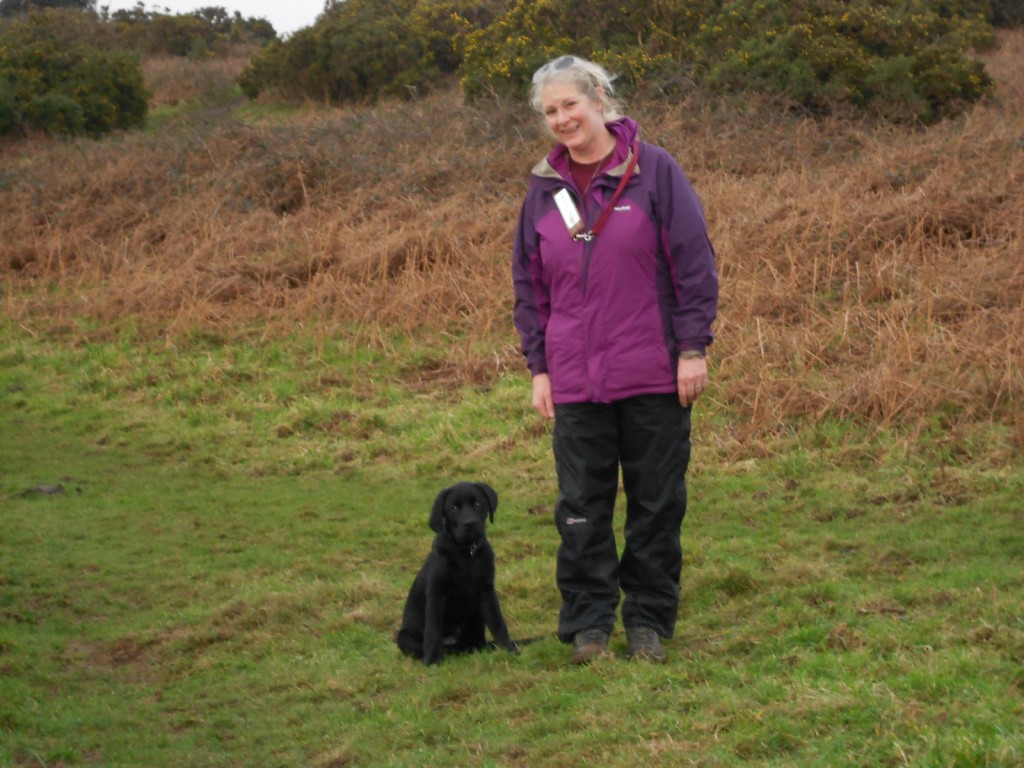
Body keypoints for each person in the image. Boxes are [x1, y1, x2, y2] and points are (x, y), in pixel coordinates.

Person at [512, 55, 719, 664]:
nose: (561, 119)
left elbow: (694, 267)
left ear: (599, 99)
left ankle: (649, 624)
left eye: (570, 105)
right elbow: (530, 286)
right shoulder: (543, 190)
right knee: (581, 509)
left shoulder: (655, 172)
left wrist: (692, 348)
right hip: (574, 381)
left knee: (656, 505)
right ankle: (589, 627)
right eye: (550, 112)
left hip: (654, 373)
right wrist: (540, 368)